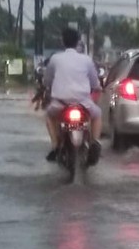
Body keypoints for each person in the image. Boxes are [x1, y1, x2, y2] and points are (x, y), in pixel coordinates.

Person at [43, 28, 102, 163]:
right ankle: (95, 142)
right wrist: (97, 87)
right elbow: (94, 82)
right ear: (78, 42)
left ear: (63, 42)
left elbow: (47, 80)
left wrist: (47, 86)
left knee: (49, 116)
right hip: (83, 103)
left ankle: (55, 146)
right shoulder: (86, 60)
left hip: (60, 104)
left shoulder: (55, 58)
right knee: (97, 114)